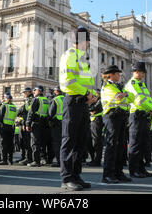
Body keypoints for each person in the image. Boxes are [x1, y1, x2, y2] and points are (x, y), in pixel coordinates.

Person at [59, 27, 97, 191]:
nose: (89, 44)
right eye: (88, 41)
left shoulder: (82, 59)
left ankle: (76, 175)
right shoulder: (70, 55)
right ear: (83, 41)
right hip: (73, 102)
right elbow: (68, 82)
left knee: (80, 141)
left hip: (83, 103)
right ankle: (67, 178)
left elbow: (86, 83)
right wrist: (87, 93)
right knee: (69, 140)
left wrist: (93, 94)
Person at [100, 65, 134, 183]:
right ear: (112, 74)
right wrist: (125, 95)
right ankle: (108, 174)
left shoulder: (119, 86)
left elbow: (132, 97)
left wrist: (125, 95)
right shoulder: (107, 86)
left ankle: (118, 172)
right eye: (118, 74)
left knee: (121, 146)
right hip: (111, 116)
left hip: (121, 117)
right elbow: (117, 98)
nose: (120, 75)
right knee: (111, 145)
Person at [125, 61, 152, 178]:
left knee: (143, 144)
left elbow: (148, 99)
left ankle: (141, 168)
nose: (143, 75)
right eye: (142, 73)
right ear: (136, 72)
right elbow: (139, 100)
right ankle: (134, 169)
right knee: (135, 143)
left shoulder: (142, 85)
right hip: (136, 115)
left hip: (144, 115)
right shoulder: (132, 84)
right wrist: (151, 108)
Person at [25, 86, 50, 167]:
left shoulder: (36, 99)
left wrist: (27, 124)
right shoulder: (46, 100)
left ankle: (36, 161)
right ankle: (43, 159)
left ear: (39, 91)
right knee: (42, 143)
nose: (33, 91)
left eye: (34, 90)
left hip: (36, 123)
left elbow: (31, 112)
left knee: (35, 143)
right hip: (44, 123)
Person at [47, 86, 64, 167]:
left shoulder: (55, 100)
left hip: (57, 124)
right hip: (66, 123)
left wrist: (49, 121)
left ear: (56, 92)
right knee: (64, 143)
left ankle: (59, 161)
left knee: (57, 143)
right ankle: (65, 161)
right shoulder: (66, 98)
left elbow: (50, 113)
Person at [0, 94, 17, 165]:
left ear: (6, 99)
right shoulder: (14, 107)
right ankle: (10, 160)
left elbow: (0, 117)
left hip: (4, 126)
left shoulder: (4, 106)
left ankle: (4, 160)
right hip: (11, 127)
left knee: (3, 144)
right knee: (10, 143)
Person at [16, 87, 33, 165]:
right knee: (23, 142)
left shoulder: (31, 100)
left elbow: (28, 113)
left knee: (27, 142)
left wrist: (24, 123)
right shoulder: (28, 100)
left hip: (27, 124)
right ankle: (24, 157)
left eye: (25, 92)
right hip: (25, 123)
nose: (24, 94)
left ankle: (28, 158)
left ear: (28, 92)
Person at [87, 90, 103, 167]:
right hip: (92, 122)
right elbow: (89, 109)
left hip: (97, 121)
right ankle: (93, 159)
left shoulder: (100, 101)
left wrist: (90, 107)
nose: (93, 97)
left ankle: (97, 160)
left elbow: (92, 109)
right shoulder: (93, 102)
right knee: (90, 142)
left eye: (95, 95)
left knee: (96, 141)